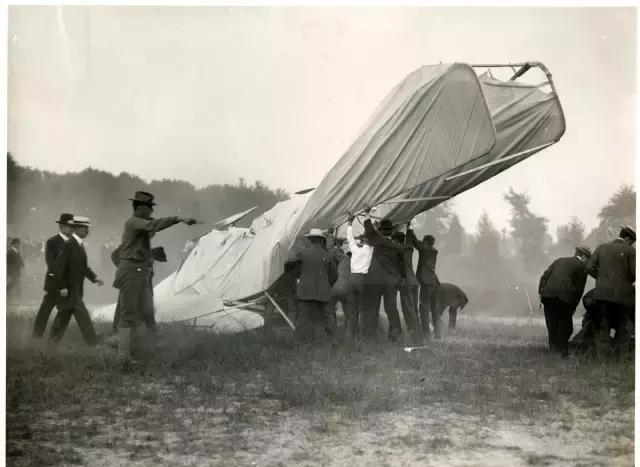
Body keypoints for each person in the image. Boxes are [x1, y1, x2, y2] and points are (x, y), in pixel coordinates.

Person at [113, 191, 197, 364]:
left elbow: (153, 227)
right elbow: (155, 225)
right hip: (130, 271)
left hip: (140, 272)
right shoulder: (134, 222)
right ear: (140, 207)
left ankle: (151, 345)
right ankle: (123, 357)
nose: (151, 211)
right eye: (149, 207)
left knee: (147, 311)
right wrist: (179, 218)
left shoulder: (141, 225)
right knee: (128, 315)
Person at [48, 216, 105, 345]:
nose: (86, 230)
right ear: (75, 228)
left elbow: (82, 267)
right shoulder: (69, 245)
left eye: (87, 228)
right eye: (83, 227)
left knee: (64, 316)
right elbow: (59, 267)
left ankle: (50, 345)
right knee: (82, 315)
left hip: (74, 289)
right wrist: (62, 287)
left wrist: (94, 278)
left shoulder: (78, 245)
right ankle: (93, 342)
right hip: (69, 289)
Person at [587, 226, 636, 359]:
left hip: (602, 295)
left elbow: (589, 267)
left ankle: (603, 359)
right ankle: (620, 359)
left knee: (603, 325)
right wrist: (624, 281)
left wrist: (602, 279)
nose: (632, 244)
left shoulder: (601, 247)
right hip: (622, 297)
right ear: (627, 238)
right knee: (624, 326)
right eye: (632, 241)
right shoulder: (631, 250)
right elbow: (634, 274)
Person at [284, 228, 338, 343]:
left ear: (310, 240)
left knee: (304, 317)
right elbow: (334, 275)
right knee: (327, 316)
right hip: (323, 291)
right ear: (321, 240)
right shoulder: (327, 255)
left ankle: (301, 341)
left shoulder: (302, 253)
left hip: (305, 290)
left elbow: (294, 271)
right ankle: (334, 339)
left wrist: (302, 278)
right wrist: (327, 284)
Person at [538, 246, 591, 357]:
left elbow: (544, 277)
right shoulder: (582, 266)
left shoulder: (559, 260)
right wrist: (573, 306)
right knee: (566, 326)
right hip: (564, 298)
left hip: (548, 296)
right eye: (588, 259)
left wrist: (541, 293)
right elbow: (579, 290)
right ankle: (563, 352)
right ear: (584, 256)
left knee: (551, 324)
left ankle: (553, 350)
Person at [361, 211, 405, 342]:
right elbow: (403, 267)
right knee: (391, 309)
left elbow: (368, 230)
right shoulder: (398, 247)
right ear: (392, 232)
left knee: (372, 309)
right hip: (391, 282)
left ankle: (370, 337)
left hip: (374, 280)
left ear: (380, 230)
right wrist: (399, 279)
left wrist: (367, 215)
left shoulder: (377, 241)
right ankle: (395, 335)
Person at [32, 213, 75, 338]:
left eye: (73, 227)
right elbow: (52, 265)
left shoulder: (74, 242)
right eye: (70, 226)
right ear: (62, 226)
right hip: (54, 283)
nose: (72, 229)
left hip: (68, 285)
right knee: (45, 311)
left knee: (65, 313)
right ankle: (36, 336)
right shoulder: (52, 242)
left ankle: (54, 339)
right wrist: (62, 286)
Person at [406, 225, 441, 340]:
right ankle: (438, 334)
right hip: (434, 282)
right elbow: (420, 244)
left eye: (424, 241)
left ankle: (426, 334)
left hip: (426, 283)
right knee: (434, 308)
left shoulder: (425, 249)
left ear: (426, 242)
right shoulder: (433, 251)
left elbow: (416, 243)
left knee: (423, 308)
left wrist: (409, 229)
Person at [345, 216, 373, 341]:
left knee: (352, 310)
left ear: (361, 240)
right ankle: (363, 336)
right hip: (363, 279)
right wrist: (370, 219)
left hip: (352, 279)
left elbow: (350, 238)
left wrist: (350, 223)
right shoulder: (370, 251)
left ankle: (351, 335)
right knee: (364, 309)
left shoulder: (355, 249)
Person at [392, 230, 420, 343]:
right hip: (414, 282)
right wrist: (409, 228)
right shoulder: (409, 247)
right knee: (414, 308)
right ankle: (418, 333)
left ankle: (414, 335)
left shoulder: (398, 248)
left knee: (407, 309)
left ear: (396, 239)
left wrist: (401, 278)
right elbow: (409, 238)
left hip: (406, 282)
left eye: (394, 239)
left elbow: (401, 264)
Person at [6, 237, 24, 302]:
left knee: (16, 283)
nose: (19, 245)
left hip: (17, 271)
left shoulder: (17, 251)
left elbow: (20, 259)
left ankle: (18, 297)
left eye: (19, 244)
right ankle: (18, 296)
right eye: (18, 244)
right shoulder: (10, 252)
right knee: (13, 283)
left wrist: (22, 264)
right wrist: (12, 268)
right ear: (14, 244)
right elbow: (7, 262)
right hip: (12, 271)